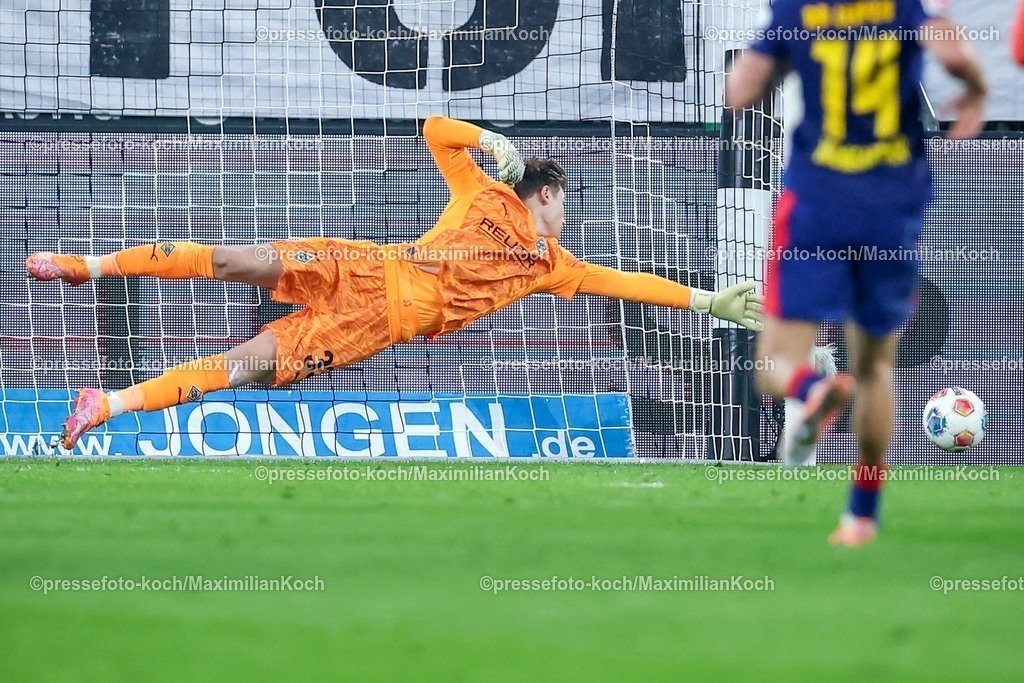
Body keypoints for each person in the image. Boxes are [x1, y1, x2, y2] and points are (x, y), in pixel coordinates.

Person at [27, 116, 764, 450]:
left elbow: (629, 283)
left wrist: (707, 300)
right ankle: (85, 266)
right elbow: (432, 129)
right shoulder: (480, 193)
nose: (569, 216)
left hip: (370, 327)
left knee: (243, 365)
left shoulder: (554, 268)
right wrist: (487, 139)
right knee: (232, 259)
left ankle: (107, 403)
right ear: (544, 194)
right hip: (364, 264)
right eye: (565, 201)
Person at [725, 0, 986, 546]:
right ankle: (861, 514)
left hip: (818, 201)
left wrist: (785, 55)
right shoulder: (904, 6)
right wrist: (976, 90)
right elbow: (953, 52)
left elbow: (740, 92)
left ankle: (811, 386)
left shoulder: (799, 9)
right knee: (875, 368)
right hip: (891, 206)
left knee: (774, 362)